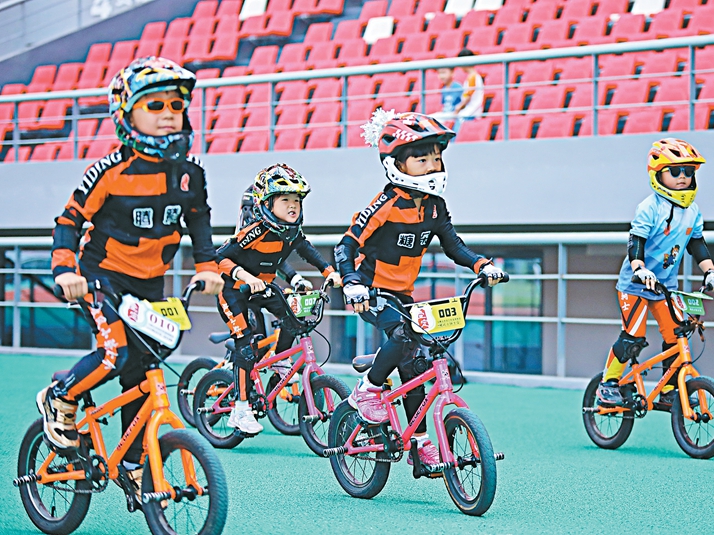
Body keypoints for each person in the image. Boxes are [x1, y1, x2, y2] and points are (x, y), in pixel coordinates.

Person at [38, 57, 224, 491]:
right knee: (114, 353)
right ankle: (60, 395)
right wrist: (65, 271)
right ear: (126, 114)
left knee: (143, 374)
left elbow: (199, 222)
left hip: (150, 285)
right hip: (101, 277)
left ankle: (134, 462)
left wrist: (208, 266)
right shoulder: (108, 172)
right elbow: (68, 221)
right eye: (154, 106)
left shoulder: (191, 174)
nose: (167, 116)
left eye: (175, 106)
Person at [335, 109, 506, 466]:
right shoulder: (385, 205)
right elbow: (345, 246)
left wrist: (482, 265)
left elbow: (455, 246)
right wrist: (352, 283)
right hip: (371, 292)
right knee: (401, 335)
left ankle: (419, 443)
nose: (433, 165)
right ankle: (367, 392)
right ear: (397, 162)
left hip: (402, 296)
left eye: (437, 158)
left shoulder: (435, 208)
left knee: (415, 366)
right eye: (422, 158)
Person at [596, 138, 714, 407]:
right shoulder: (649, 208)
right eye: (676, 171)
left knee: (676, 333)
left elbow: (696, 244)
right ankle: (607, 384)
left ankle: (668, 388)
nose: (683, 178)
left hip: (664, 286)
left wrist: (710, 272)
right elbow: (636, 242)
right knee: (633, 336)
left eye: (689, 172)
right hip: (635, 285)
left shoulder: (693, 211)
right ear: (658, 175)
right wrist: (639, 268)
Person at [216, 164, 341, 435]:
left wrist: (330, 272)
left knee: (294, 318)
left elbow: (308, 251)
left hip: (263, 289)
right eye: (285, 200)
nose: (293, 205)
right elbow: (219, 257)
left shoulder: (291, 232)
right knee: (246, 346)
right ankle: (240, 409)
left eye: (296, 200)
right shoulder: (256, 231)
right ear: (268, 203)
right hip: (234, 291)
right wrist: (246, 277)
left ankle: (281, 360)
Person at [452, 49, 485, 134]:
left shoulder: (473, 77)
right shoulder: (473, 76)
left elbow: (468, 96)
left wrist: (458, 108)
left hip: (471, 112)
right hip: (471, 110)